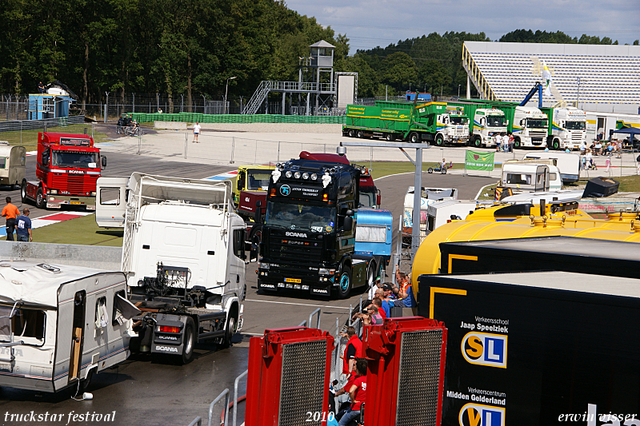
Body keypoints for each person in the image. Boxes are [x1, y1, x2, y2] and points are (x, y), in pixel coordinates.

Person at [338, 359, 367, 426]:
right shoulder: (370, 379)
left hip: (356, 408)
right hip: (365, 408)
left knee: (341, 423)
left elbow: (351, 391)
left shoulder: (358, 379)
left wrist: (353, 400)